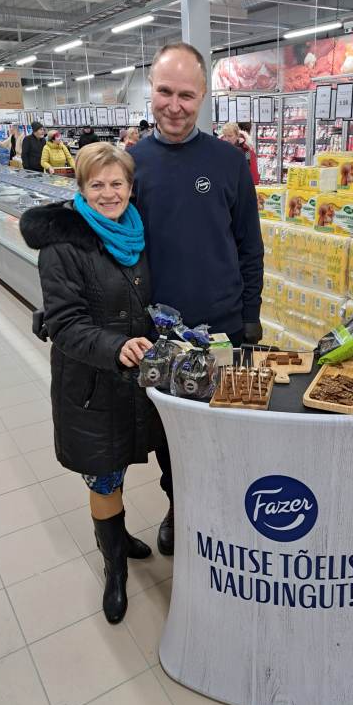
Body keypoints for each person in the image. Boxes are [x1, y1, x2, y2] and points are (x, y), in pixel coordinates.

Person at [19, 142, 168, 625]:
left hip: (138, 380)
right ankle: (114, 567)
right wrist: (115, 346)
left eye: (117, 183)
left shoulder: (136, 232)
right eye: (97, 184)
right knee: (106, 477)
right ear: (81, 188)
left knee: (129, 461)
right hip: (92, 383)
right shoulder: (63, 246)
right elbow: (64, 323)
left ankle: (120, 537)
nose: (109, 193)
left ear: (130, 187)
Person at [128, 41, 264, 555]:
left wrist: (251, 316)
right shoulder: (132, 164)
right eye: (164, 92)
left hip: (225, 326)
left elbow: (250, 246)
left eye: (186, 95)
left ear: (204, 95)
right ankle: (178, 506)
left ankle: (226, 510)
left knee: (226, 427)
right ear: (151, 90)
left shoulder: (228, 161)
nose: (174, 105)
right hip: (160, 334)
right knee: (172, 435)